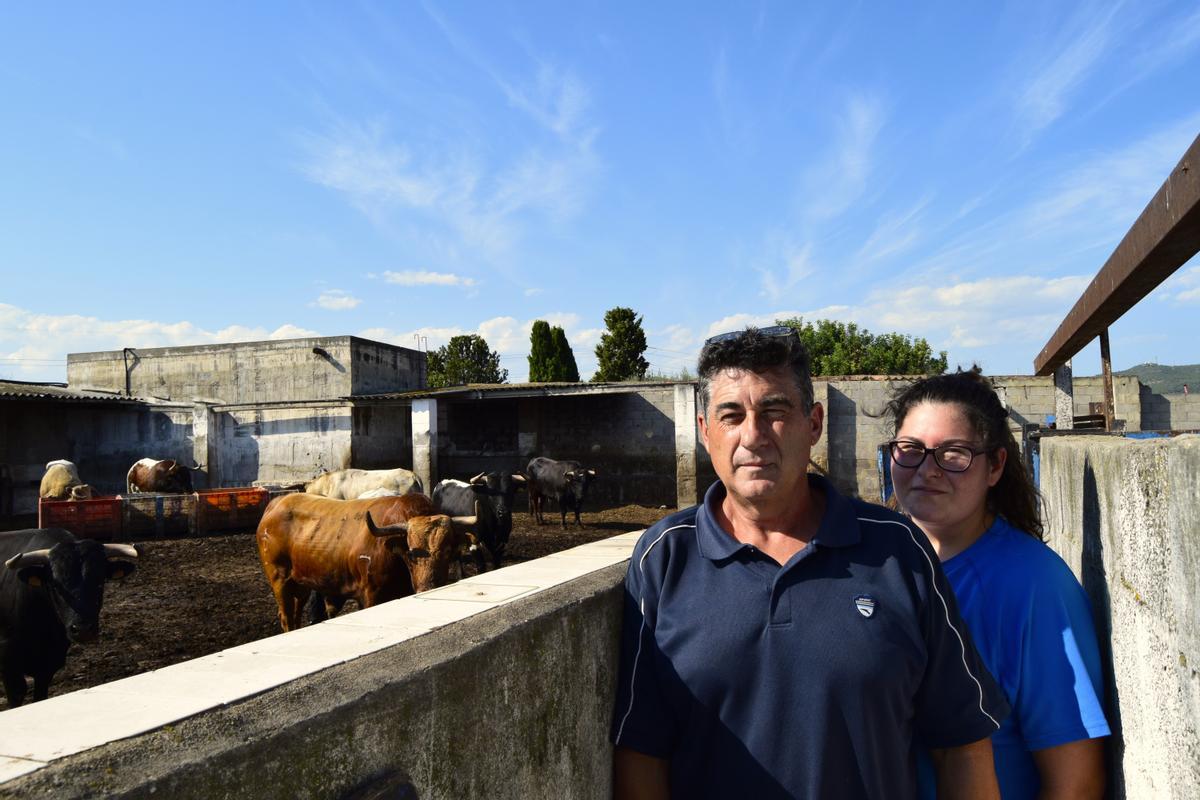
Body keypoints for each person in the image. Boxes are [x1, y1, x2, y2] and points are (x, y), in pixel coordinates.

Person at [611, 327, 1009, 799]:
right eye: (731, 415)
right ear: (704, 432)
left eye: (775, 412)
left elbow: (961, 745)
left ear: (814, 423)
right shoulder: (664, 559)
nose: (753, 436)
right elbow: (641, 750)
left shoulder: (899, 551)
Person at [884, 369, 1110, 799]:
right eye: (910, 449)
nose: (927, 470)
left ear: (996, 466)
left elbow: (1076, 784)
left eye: (953, 453)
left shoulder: (1032, 586)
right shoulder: (875, 564)